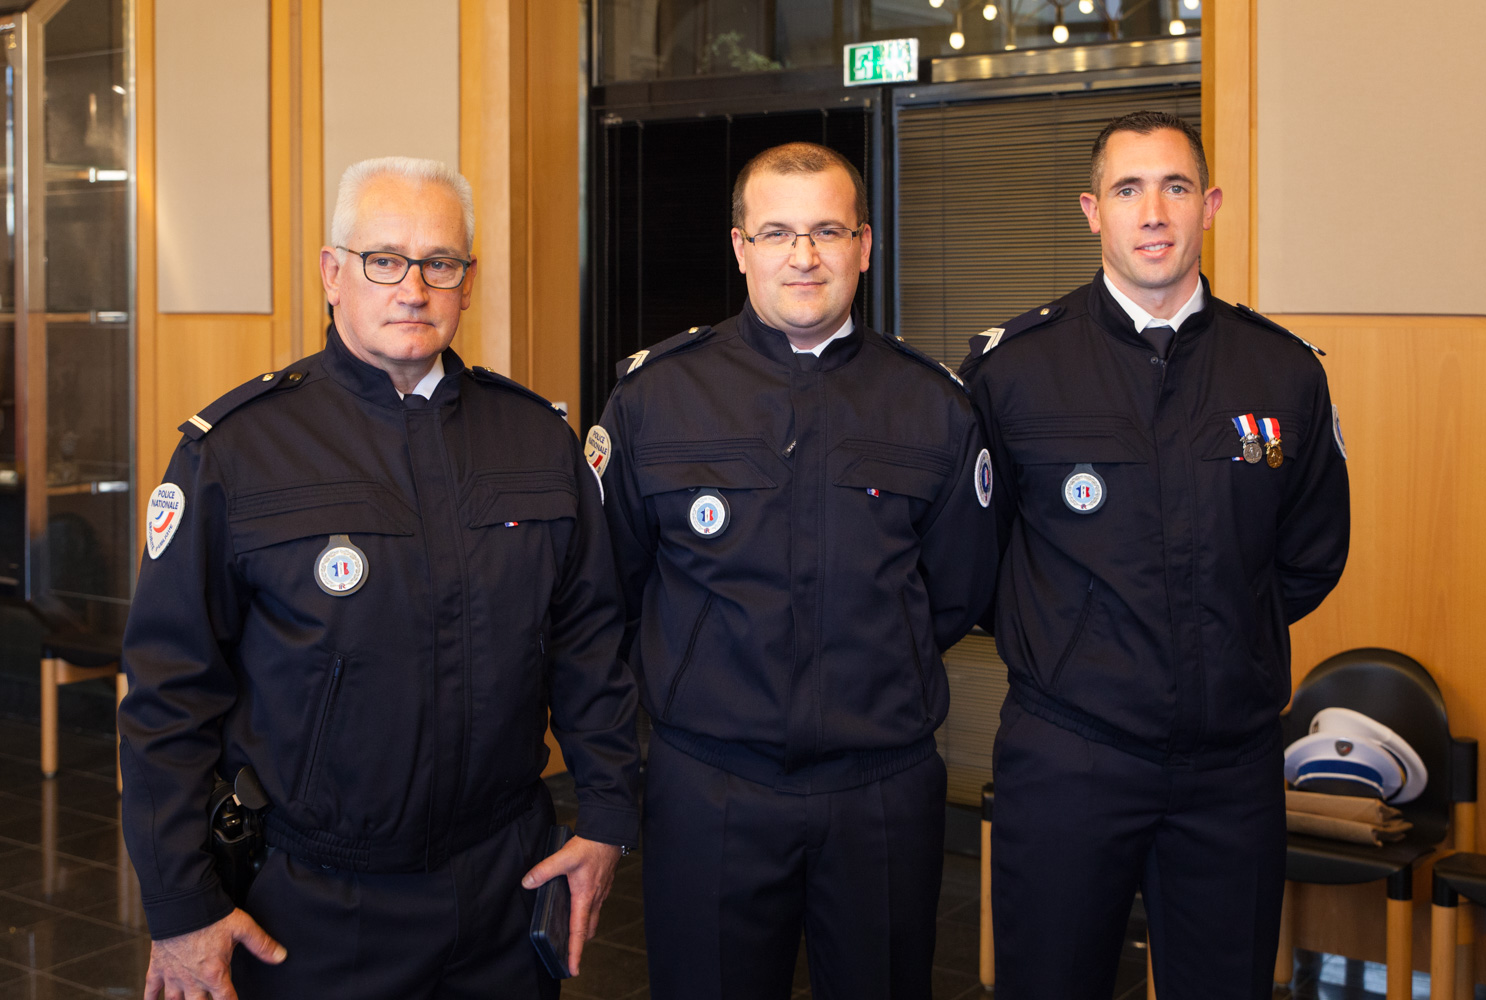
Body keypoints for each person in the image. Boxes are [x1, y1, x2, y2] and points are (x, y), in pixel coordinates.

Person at [118, 156, 641, 1000]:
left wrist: (611, 815)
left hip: (506, 885)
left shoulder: (537, 441)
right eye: (384, 260)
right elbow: (168, 696)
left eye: (441, 263)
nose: (414, 288)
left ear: (468, 284)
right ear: (333, 273)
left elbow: (589, 643)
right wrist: (181, 904)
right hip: (316, 902)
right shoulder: (240, 451)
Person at [592, 142, 997, 1000]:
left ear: (865, 244)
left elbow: (957, 588)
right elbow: (611, 587)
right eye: (777, 232)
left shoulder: (934, 403)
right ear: (740, 248)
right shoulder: (655, 398)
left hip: (880, 790)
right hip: (709, 788)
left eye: (826, 231)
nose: (803, 256)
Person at [960, 111, 1351, 999]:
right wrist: (1067, 641)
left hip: (1230, 767)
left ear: (1208, 205)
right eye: (1128, 189)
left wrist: (1224, 632)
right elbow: (970, 559)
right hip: (1068, 755)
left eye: (1175, 187)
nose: (1154, 212)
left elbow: (1312, 548)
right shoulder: (1015, 368)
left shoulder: (1281, 370)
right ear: (1091, 211)